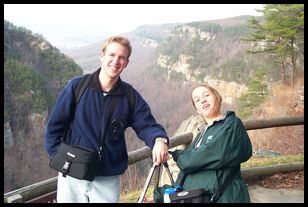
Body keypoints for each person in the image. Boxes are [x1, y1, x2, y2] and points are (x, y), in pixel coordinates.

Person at [44, 36, 169, 203]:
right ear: (102, 55)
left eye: (122, 58)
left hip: (107, 177)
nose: (115, 61)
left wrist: (159, 140)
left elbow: (147, 125)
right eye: (112, 55)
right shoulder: (77, 87)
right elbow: (54, 127)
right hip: (71, 172)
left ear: (126, 63)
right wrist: (56, 156)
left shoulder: (129, 96)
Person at [169, 84, 252, 203]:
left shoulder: (231, 124)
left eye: (206, 95)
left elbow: (214, 153)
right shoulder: (200, 136)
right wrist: (161, 195)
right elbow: (185, 174)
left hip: (225, 198)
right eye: (197, 100)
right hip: (197, 198)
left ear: (217, 97)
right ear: (197, 109)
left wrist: (182, 156)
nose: (203, 100)